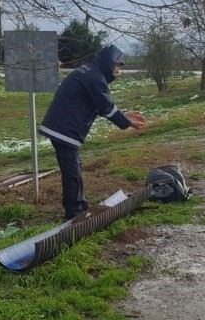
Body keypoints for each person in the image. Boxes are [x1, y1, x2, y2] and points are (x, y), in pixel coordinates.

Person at [38, 44, 146, 220]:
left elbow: (100, 104)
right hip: (64, 130)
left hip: (61, 127)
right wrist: (126, 122)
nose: (118, 70)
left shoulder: (90, 72)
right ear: (109, 62)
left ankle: (78, 205)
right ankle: (75, 211)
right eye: (117, 65)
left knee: (73, 168)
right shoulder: (95, 77)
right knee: (72, 172)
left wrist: (123, 115)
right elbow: (105, 107)